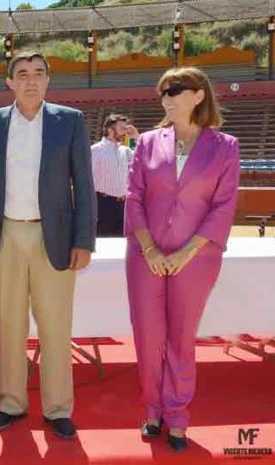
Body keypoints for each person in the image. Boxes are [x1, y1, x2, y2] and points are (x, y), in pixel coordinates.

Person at [0, 52, 96, 439]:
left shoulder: (69, 121)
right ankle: (11, 403)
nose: (31, 80)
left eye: (39, 73)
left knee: (56, 327)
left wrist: (84, 240)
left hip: (52, 236)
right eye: (22, 74)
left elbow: (84, 184)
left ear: (48, 80)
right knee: (10, 326)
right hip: (3, 235)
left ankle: (58, 409)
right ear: (10, 82)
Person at [125, 67, 240, 451]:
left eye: (175, 89)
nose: (167, 97)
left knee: (181, 338)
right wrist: (151, 248)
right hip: (146, 256)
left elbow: (223, 207)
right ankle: (152, 410)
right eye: (163, 91)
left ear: (199, 95)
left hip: (197, 258)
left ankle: (177, 415)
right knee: (147, 336)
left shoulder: (225, 146)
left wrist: (188, 251)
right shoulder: (146, 142)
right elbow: (134, 198)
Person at [91, 114, 138, 237]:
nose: (126, 132)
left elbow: (142, 160)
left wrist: (136, 138)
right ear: (110, 130)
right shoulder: (95, 150)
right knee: (104, 244)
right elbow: (87, 180)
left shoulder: (125, 150)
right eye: (122, 128)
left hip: (123, 205)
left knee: (121, 244)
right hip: (103, 204)